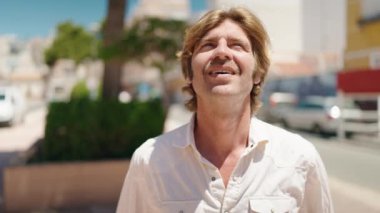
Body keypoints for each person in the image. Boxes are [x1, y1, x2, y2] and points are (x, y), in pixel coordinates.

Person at [117, 7, 333, 213]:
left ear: (257, 74)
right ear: (190, 74)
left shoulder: (300, 159)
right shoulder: (150, 161)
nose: (221, 52)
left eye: (237, 45)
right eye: (208, 45)